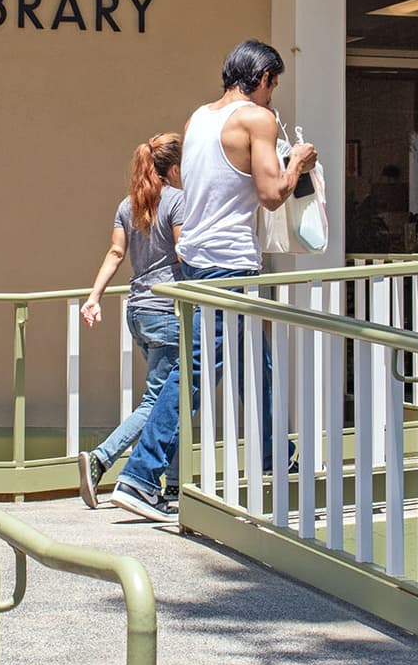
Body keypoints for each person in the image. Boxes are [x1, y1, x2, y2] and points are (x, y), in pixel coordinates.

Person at [109, 40, 317, 523]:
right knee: (196, 370)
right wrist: (297, 163)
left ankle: (275, 454)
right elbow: (271, 195)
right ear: (262, 78)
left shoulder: (198, 118)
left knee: (255, 362)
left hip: (199, 260)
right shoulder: (257, 119)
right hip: (230, 265)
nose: (272, 95)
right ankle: (140, 476)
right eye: (273, 84)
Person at [75, 135, 184, 508]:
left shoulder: (128, 204)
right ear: (174, 168)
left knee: (172, 397)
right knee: (161, 400)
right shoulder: (177, 201)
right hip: (167, 310)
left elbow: (115, 252)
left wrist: (94, 297)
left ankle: (173, 486)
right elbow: (184, 253)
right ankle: (102, 457)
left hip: (137, 311)